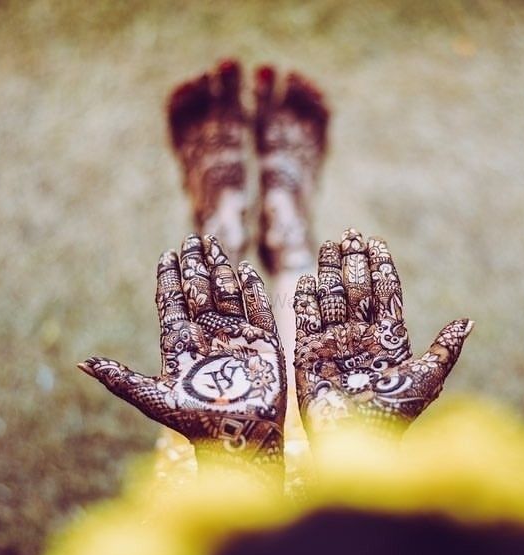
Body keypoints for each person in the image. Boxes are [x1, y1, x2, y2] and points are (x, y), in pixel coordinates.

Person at [77, 60, 473, 490]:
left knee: (226, 388)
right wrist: (364, 443)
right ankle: (288, 239)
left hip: (227, 541)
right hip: (355, 530)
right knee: (326, 397)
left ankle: (222, 236)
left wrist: (237, 452)